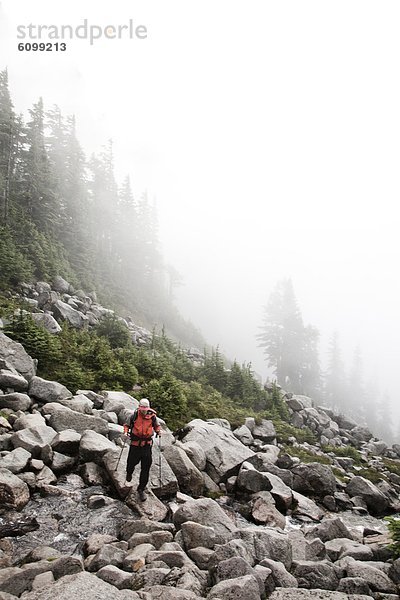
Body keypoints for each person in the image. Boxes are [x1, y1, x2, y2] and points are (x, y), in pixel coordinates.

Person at [123, 398, 161, 501]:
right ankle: (129, 472)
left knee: (146, 467)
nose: (144, 410)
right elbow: (126, 425)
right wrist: (125, 432)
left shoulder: (152, 417)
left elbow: (157, 426)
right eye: (142, 408)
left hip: (146, 445)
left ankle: (141, 489)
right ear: (139, 407)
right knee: (131, 463)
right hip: (135, 444)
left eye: (145, 408)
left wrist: (158, 431)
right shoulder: (134, 416)